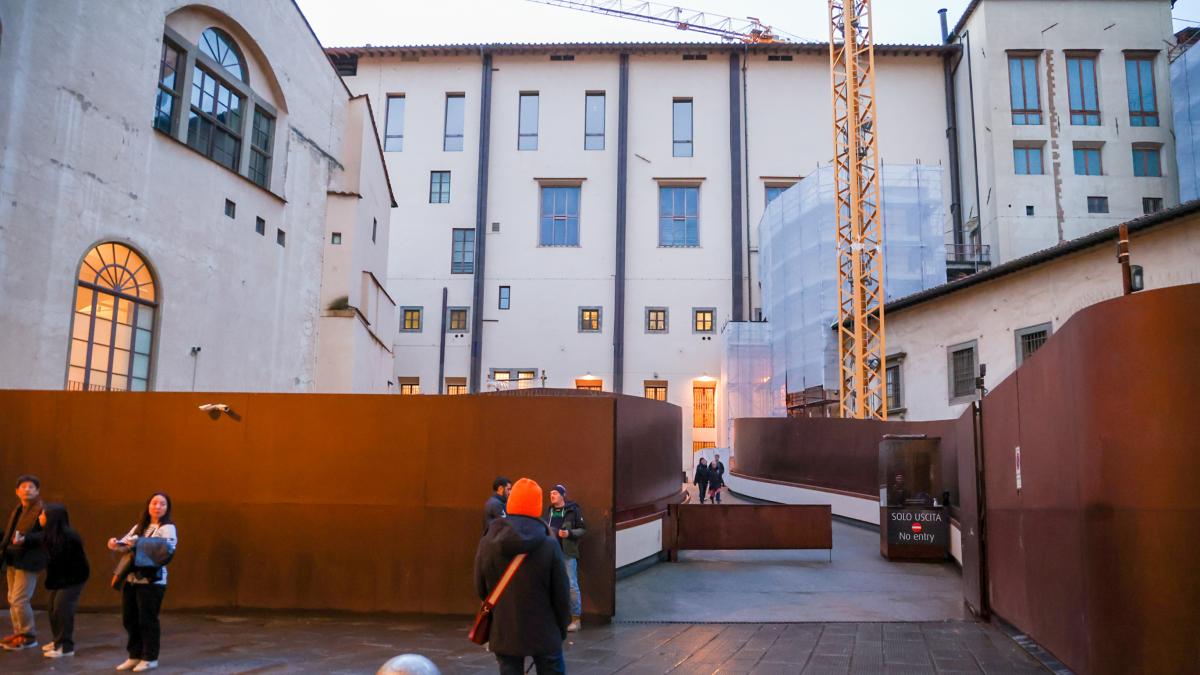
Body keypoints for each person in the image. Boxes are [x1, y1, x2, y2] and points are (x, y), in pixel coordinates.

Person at [475, 478, 569, 675]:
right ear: (537, 506)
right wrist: (561, 627)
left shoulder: (488, 540)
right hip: (544, 629)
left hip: (505, 629)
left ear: (511, 503)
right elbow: (561, 592)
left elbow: (480, 587)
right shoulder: (549, 542)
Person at [108, 493, 178, 672]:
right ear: (148, 506)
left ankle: (150, 657)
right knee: (129, 618)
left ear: (167, 508)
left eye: (162, 504)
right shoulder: (139, 526)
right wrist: (115, 544)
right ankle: (134, 655)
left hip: (152, 581)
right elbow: (126, 544)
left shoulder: (168, 528)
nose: (158, 507)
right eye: (154, 503)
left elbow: (166, 550)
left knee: (148, 620)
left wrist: (138, 542)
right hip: (132, 579)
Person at [1, 474, 47, 651]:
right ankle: (18, 633)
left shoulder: (42, 510)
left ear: (37, 491)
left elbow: (47, 535)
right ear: (17, 491)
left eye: (31, 487)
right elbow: (10, 533)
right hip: (13, 558)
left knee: (20, 599)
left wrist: (26, 539)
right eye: (23, 486)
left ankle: (29, 636)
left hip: (29, 560)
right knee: (13, 599)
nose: (27, 489)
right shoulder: (18, 509)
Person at [39, 503, 90, 659]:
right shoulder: (49, 534)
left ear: (52, 518)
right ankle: (57, 641)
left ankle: (65, 647)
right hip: (60, 579)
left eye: (43, 514)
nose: (40, 517)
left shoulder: (68, 536)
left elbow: (73, 563)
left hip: (73, 578)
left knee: (62, 609)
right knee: (53, 608)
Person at [546, 484, 585, 632]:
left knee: (571, 585)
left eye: (555, 493)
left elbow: (582, 529)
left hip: (567, 553)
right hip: (551, 553)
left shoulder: (573, 509)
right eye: (551, 493)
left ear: (563, 495)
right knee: (553, 585)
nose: (552, 495)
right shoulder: (550, 510)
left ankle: (576, 619)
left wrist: (569, 534)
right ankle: (556, 617)